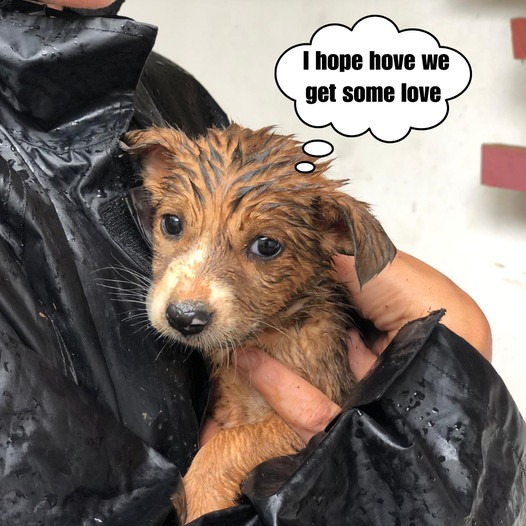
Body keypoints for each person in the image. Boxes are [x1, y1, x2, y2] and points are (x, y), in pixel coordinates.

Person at [0, 2, 523, 526]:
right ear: (157, 174)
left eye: (265, 247)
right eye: (175, 226)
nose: (191, 292)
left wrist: (448, 368)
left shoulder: (160, 91)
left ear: (335, 235)